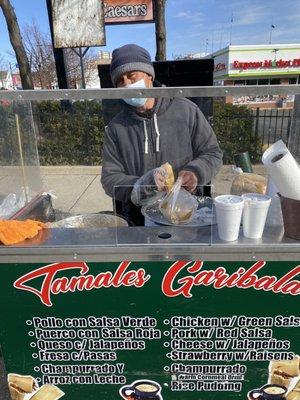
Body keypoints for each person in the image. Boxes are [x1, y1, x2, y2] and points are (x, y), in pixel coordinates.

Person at [101, 44, 223, 225]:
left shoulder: (186, 110)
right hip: (138, 219)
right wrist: (140, 186)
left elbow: (213, 153)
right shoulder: (116, 128)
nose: (127, 83)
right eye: (120, 80)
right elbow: (110, 178)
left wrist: (196, 172)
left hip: (185, 214)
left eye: (132, 76)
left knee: (183, 255)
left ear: (149, 75)